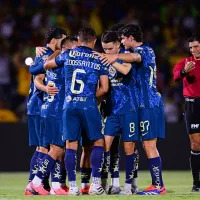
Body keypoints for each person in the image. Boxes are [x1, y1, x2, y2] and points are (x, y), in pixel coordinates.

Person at [99, 24, 166, 195]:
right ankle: (155, 185)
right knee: (146, 144)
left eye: (122, 38)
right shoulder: (135, 54)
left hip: (149, 103)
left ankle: (158, 186)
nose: (121, 41)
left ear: (130, 38)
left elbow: (135, 57)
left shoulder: (144, 51)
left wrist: (111, 56)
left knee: (149, 145)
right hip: (142, 105)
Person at [44, 26, 109, 195]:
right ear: (94, 41)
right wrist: (91, 99)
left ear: (78, 40)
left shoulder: (68, 54)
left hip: (69, 106)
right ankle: (95, 185)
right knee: (97, 142)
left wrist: (58, 50)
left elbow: (47, 64)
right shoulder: (97, 58)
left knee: (70, 145)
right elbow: (105, 88)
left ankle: (72, 187)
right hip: (88, 105)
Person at [28, 27, 67, 195]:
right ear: (53, 40)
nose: (64, 43)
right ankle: (35, 184)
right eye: (62, 40)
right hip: (40, 106)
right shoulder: (47, 55)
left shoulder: (47, 54)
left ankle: (40, 185)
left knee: (44, 147)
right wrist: (45, 89)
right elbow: (36, 75)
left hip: (40, 106)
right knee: (46, 147)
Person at [100, 30, 139, 195]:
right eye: (104, 49)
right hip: (112, 112)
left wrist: (111, 59)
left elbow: (125, 71)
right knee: (104, 146)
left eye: (110, 48)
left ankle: (129, 184)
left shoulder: (127, 55)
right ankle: (109, 183)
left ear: (118, 45)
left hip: (129, 109)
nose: (107, 52)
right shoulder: (104, 60)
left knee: (129, 148)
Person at [173, 33, 200, 192]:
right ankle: (197, 183)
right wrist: (184, 71)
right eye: (191, 48)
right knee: (196, 144)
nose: (193, 50)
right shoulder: (185, 62)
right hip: (192, 106)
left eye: (196, 46)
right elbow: (176, 76)